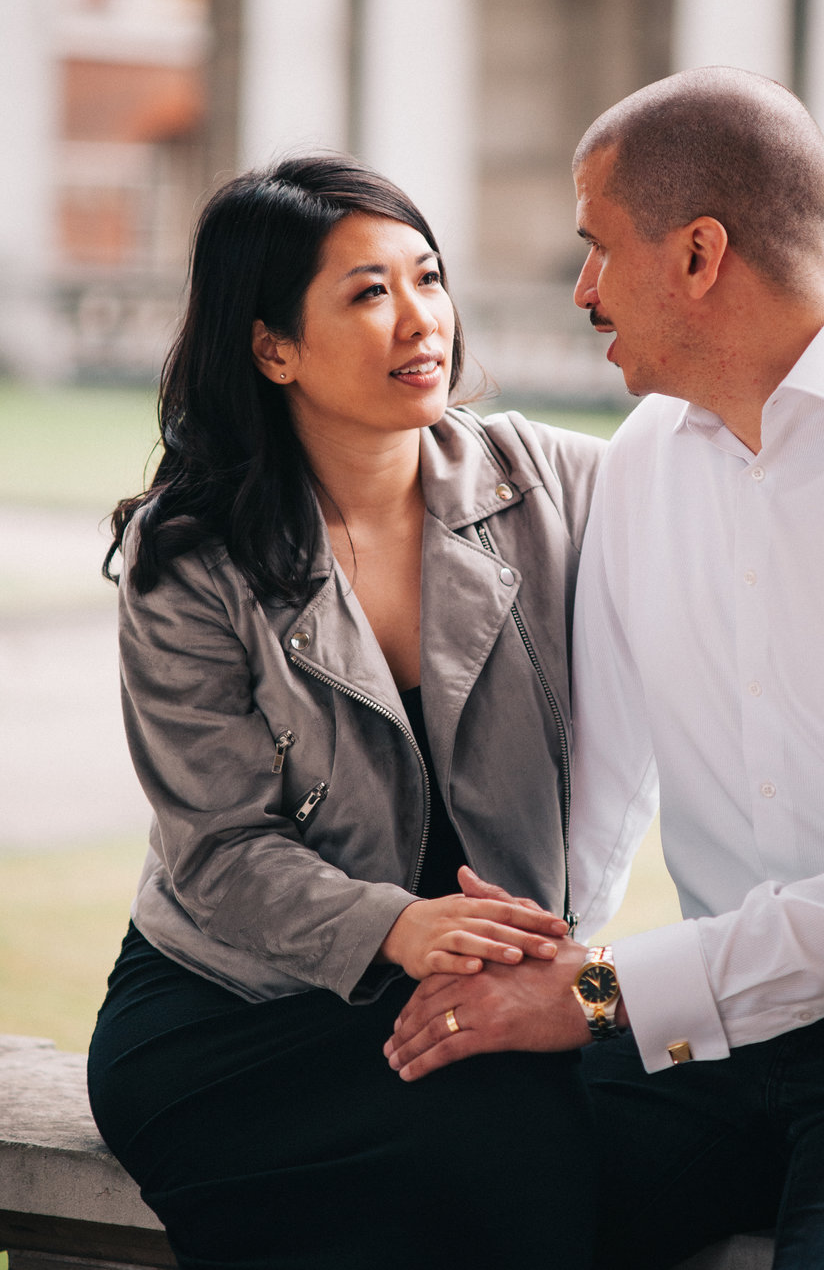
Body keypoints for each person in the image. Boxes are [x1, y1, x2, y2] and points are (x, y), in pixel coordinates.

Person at [385, 69, 824, 1270]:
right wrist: (543, 967)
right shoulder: (644, 461)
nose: (581, 290)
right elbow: (602, 798)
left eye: (598, 248)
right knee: (423, 1210)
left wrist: (606, 992)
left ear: (699, 255)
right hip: (709, 1045)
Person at [87, 155, 608, 1270]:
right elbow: (219, 851)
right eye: (367, 293)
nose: (419, 319)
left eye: (427, 277)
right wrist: (396, 926)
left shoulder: (549, 482)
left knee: (586, 1152)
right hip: (233, 1010)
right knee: (491, 1168)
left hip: (490, 1002)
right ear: (272, 346)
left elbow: (747, 467)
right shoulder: (189, 558)